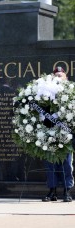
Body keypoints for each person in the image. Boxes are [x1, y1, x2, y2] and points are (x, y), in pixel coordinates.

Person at [42, 66, 74, 202]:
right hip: (50, 132)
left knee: (66, 163)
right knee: (50, 163)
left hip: (66, 133)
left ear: (66, 77)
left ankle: (67, 191)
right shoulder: (47, 93)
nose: (58, 78)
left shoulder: (72, 92)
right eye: (56, 76)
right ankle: (52, 191)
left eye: (60, 75)